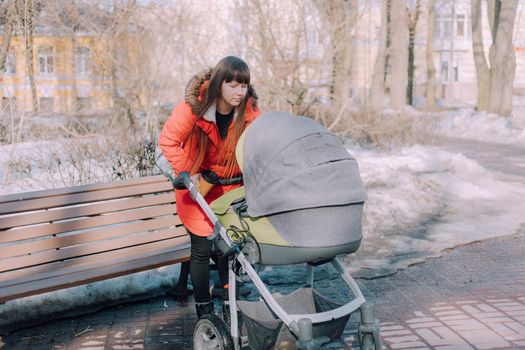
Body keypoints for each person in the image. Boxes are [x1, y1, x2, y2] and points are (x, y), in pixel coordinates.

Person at [159, 56, 260, 318]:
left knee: (232, 246)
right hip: (199, 188)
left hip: (232, 189)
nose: (240, 92)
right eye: (233, 85)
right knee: (201, 249)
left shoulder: (249, 111)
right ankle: (204, 310)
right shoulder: (194, 107)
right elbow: (168, 140)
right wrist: (188, 173)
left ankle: (229, 301)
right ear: (218, 84)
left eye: (244, 86)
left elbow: (259, 145)